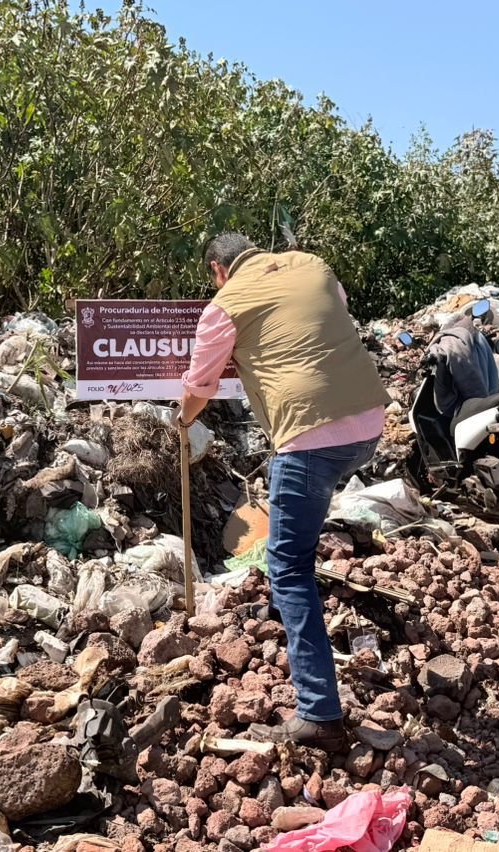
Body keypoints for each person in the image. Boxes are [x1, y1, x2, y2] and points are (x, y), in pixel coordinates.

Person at [178, 233, 389, 750]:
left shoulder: (224, 305)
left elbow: (200, 386)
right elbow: (329, 315)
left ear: (217, 270)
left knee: (288, 566)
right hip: (368, 427)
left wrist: (180, 421)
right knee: (302, 540)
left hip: (310, 438)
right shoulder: (314, 265)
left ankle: (319, 715)